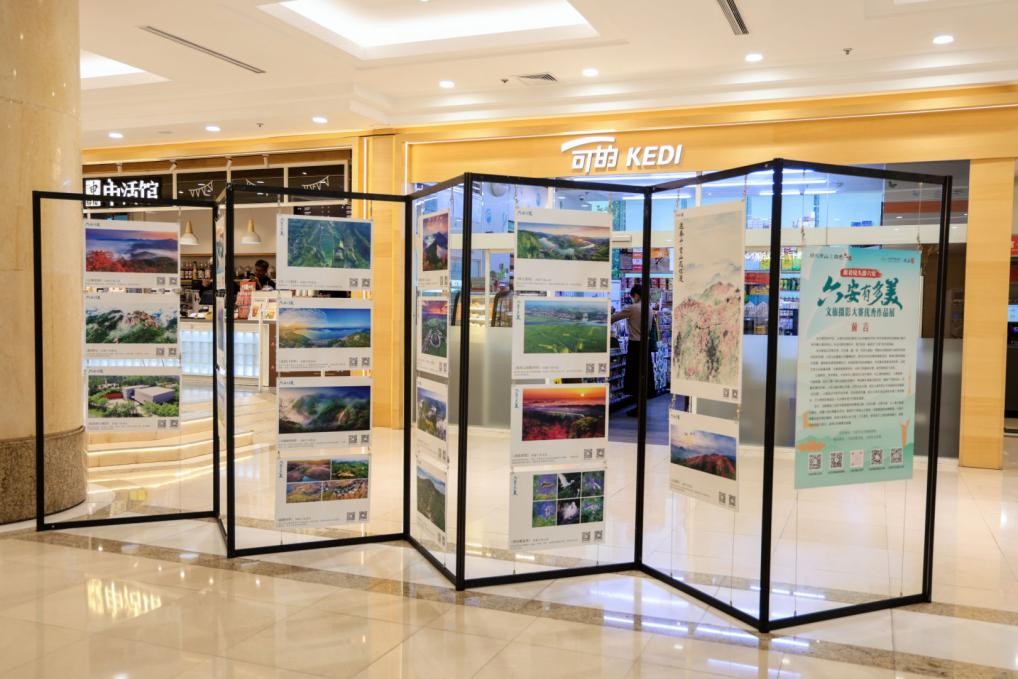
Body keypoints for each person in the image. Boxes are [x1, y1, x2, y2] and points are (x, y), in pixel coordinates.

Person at [612, 284, 658, 417]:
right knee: (643, 375)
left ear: (636, 295)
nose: (632, 298)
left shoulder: (632, 308)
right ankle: (641, 407)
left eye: (632, 296)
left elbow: (614, 318)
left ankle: (638, 407)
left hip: (635, 345)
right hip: (645, 345)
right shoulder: (649, 308)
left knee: (634, 376)